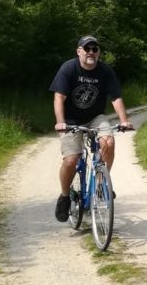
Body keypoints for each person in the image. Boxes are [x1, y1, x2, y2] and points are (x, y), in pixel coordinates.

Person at [50, 35, 134, 222]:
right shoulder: (69, 68)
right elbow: (59, 98)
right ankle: (64, 197)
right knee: (71, 160)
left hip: (95, 117)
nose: (91, 52)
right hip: (71, 119)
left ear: (99, 53)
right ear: (78, 51)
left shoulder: (105, 71)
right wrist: (60, 121)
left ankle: (101, 185)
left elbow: (116, 97)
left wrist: (124, 120)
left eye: (95, 49)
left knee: (108, 141)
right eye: (87, 49)